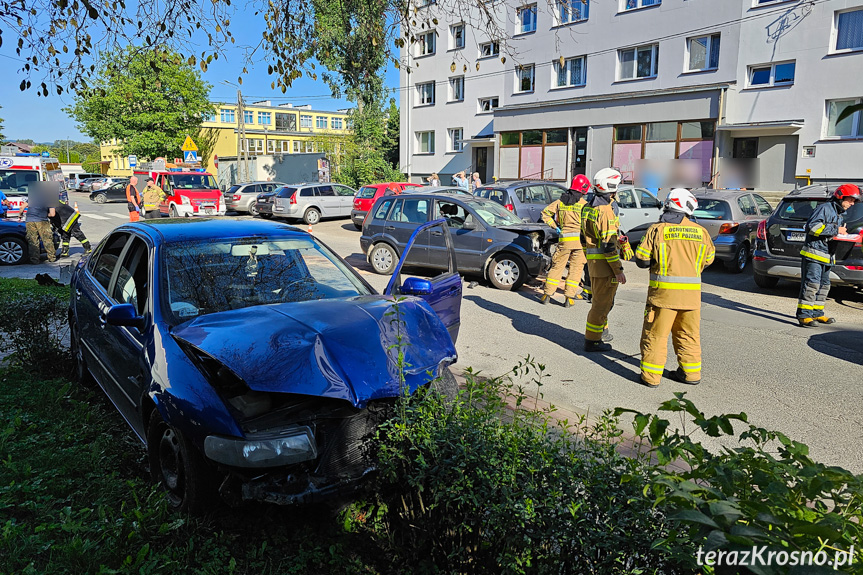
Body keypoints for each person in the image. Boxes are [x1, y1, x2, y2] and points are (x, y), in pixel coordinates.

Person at [634, 189, 715, 388]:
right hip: (691, 298)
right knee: (688, 335)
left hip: (663, 296)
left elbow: (642, 260)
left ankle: (651, 378)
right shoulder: (701, 232)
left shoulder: (657, 229)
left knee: (656, 335)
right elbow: (709, 259)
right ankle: (691, 374)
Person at [797, 184, 861, 327]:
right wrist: (836, 229)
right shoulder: (825, 208)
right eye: (850, 200)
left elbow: (830, 232)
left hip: (826, 256)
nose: (852, 204)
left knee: (824, 285)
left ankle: (817, 314)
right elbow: (812, 227)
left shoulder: (837, 212)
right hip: (814, 254)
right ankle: (804, 315)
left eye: (854, 201)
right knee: (811, 284)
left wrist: (841, 233)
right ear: (841, 196)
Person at [581, 168, 625, 352]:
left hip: (594, 264)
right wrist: (618, 270)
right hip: (605, 267)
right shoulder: (606, 211)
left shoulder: (588, 206)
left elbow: (583, 238)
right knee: (602, 304)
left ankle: (596, 335)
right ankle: (593, 340)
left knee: (600, 302)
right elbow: (608, 246)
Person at [539, 174, 590, 306]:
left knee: (557, 267)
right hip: (580, 242)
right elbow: (588, 225)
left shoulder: (560, 202)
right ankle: (569, 298)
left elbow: (545, 214)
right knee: (576, 269)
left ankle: (547, 295)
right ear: (583, 190)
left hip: (564, 240)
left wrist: (556, 227)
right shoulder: (585, 205)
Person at [22, 194, 57, 265]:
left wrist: (20, 215)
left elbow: (22, 207)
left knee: (33, 240)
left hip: (30, 221)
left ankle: (34, 260)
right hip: (42, 221)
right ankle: (52, 258)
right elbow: (52, 214)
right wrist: (46, 215)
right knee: (47, 239)